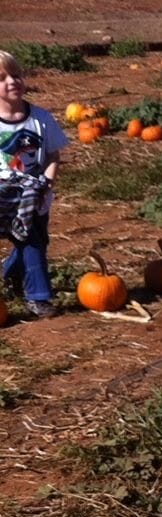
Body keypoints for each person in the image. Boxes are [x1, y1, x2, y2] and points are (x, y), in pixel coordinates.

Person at [1, 50, 68, 320]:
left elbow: (53, 154)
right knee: (31, 241)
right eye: (2, 78)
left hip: (35, 195)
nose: (12, 82)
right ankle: (38, 297)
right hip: (4, 196)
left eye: (16, 75)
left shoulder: (41, 118)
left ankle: (12, 274)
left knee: (36, 240)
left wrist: (47, 182)